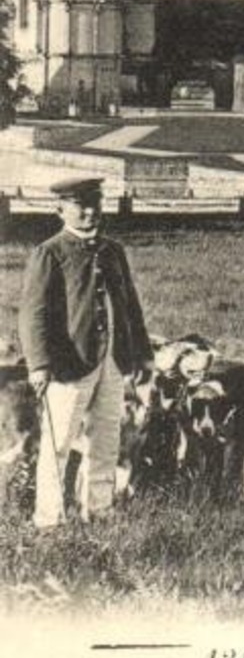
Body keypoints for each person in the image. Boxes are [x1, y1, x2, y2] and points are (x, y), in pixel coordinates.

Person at [20, 176, 154, 528]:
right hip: (69, 364)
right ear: (60, 209)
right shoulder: (50, 253)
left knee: (107, 438)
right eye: (81, 206)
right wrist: (39, 364)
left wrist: (141, 353)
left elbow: (130, 306)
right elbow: (33, 314)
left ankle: (98, 509)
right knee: (59, 441)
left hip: (113, 360)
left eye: (96, 204)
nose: (91, 212)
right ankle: (49, 519)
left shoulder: (113, 251)